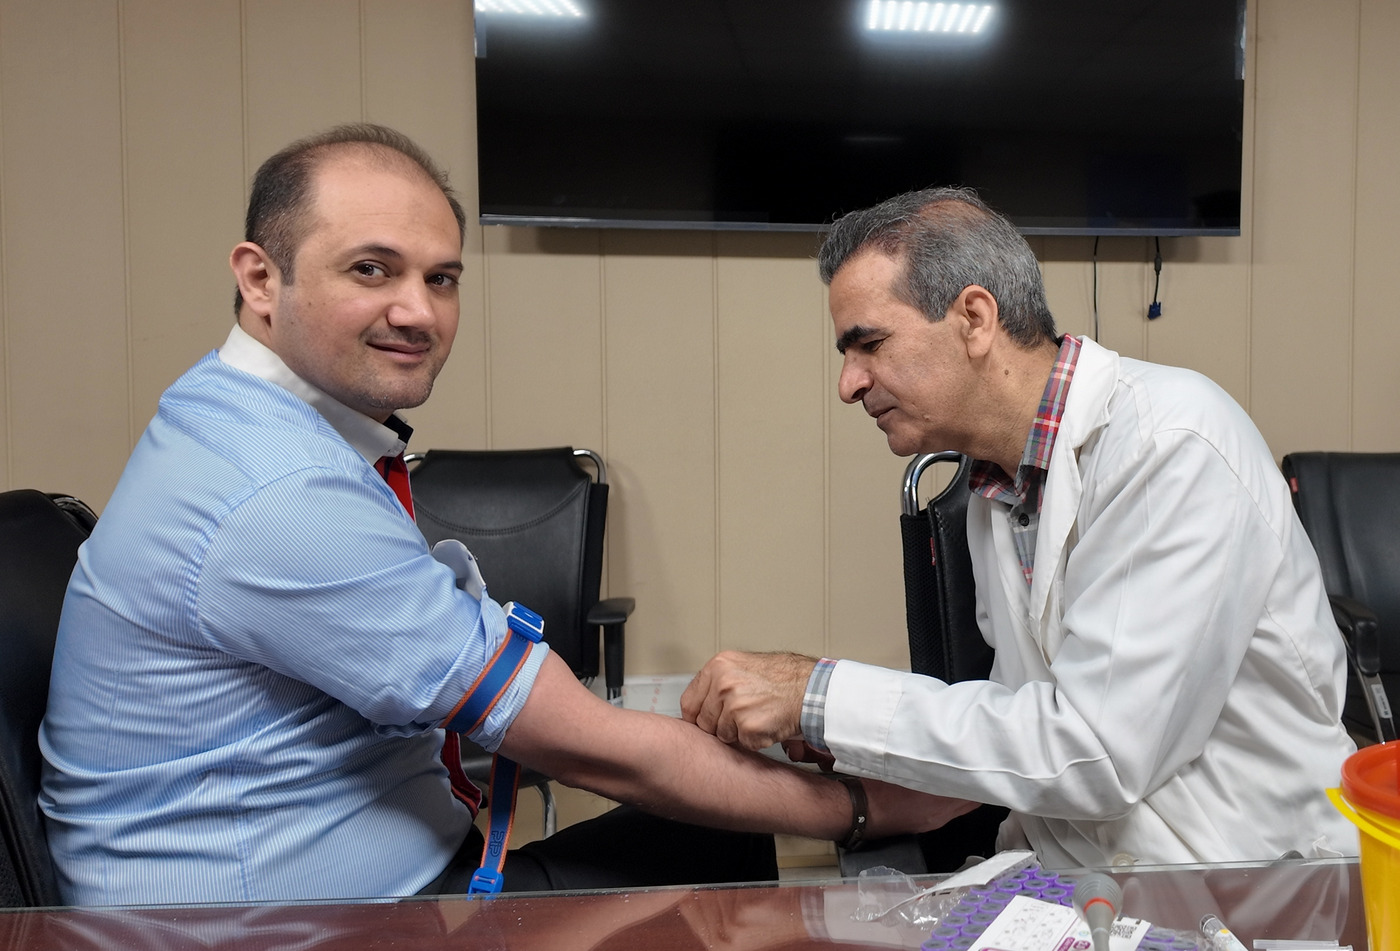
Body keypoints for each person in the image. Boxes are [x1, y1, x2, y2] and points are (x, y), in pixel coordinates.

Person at [38, 126, 972, 906]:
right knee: (725, 843)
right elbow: (585, 744)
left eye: (442, 278)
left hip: (344, 880)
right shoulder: (275, 493)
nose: (418, 311)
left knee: (716, 836)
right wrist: (866, 805)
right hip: (278, 925)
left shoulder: (234, 421)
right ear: (258, 278)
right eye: (372, 269)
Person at [681, 186, 1359, 869]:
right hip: (1084, 873)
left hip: (1246, 880)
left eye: (870, 344)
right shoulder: (998, 487)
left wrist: (817, 694)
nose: (849, 383)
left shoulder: (1171, 445)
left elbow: (1096, 756)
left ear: (975, 319)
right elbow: (1019, 720)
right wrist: (848, 737)